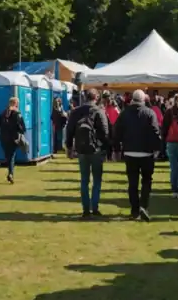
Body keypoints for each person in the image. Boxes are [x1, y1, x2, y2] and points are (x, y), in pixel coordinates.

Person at [113, 90, 161, 222]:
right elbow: (155, 131)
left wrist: (117, 150)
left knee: (132, 183)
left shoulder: (124, 113)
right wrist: (157, 148)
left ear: (132, 100)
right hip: (146, 152)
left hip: (130, 152)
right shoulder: (150, 113)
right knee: (147, 181)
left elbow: (117, 132)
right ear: (144, 100)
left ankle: (135, 210)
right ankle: (143, 206)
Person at [66, 89, 110, 218]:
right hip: (96, 150)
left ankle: (86, 209)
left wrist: (69, 148)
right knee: (97, 180)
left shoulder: (76, 112)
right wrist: (106, 149)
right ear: (96, 97)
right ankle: (94, 207)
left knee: (84, 180)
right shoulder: (99, 111)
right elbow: (105, 132)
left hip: (81, 149)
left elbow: (70, 130)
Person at [0, 97, 26, 184]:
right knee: (12, 155)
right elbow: (22, 127)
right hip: (13, 138)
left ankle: (10, 172)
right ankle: (10, 174)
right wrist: (21, 131)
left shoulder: (3, 113)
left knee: (8, 156)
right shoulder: (17, 113)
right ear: (16, 104)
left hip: (3, 137)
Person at [162, 97, 178, 198]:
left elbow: (164, 128)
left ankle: (174, 187)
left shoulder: (168, 112)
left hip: (170, 141)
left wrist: (164, 140)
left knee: (173, 166)